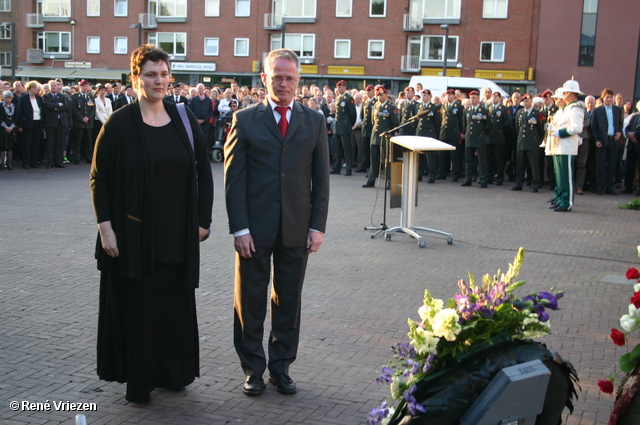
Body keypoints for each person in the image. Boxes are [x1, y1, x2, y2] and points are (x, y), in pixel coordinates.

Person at [90, 44, 213, 404]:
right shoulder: (120, 122)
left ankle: (174, 373)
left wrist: (203, 220)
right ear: (136, 78)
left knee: (173, 308)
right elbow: (99, 177)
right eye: (150, 75)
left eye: (163, 74)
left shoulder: (184, 118)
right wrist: (105, 227)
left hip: (178, 235)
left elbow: (202, 171)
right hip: (134, 237)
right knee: (141, 309)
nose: (159, 81)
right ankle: (141, 380)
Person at [224, 48, 329, 397]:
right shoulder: (245, 119)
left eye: (290, 78)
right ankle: (253, 369)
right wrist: (239, 228)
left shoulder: (314, 121)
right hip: (253, 230)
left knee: (289, 302)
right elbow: (233, 179)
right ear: (264, 78)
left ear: (299, 81)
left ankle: (281, 368)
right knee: (250, 301)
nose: (283, 83)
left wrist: (317, 226)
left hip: (297, 229)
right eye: (277, 76)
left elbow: (321, 179)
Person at [546, 80, 584, 212]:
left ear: (574, 94)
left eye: (566, 92)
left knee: (566, 176)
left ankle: (567, 202)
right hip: (560, 146)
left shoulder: (575, 107)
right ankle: (561, 198)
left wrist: (560, 133)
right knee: (560, 176)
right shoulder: (567, 108)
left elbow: (577, 128)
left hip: (567, 146)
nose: (564, 94)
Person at [362, 85, 399, 188]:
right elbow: (373, 121)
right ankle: (371, 180)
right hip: (375, 136)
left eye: (382, 95)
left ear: (386, 95)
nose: (380, 97)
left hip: (385, 137)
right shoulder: (375, 106)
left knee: (386, 160)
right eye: (378, 95)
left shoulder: (391, 108)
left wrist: (392, 134)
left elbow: (395, 123)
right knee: (373, 160)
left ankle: (389, 181)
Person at [591, 88, 624, 195]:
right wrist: (596, 140)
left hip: (613, 141)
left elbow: (620, 124)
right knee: (600, 166)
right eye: (607, 97)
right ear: (603, 98)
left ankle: (609, 187)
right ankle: (599, 188)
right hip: (602, 141)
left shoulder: (618, 110)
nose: (609, 99)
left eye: (610, 97)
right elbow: (593, 128)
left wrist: (619, 132)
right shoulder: (597, 110)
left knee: (612, 165)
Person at [511, 94, 545, 192]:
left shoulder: (537, 113)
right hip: (522, 142)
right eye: (524, 101)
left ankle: (535, 184)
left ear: (531, 101)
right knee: (520, 164)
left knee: (534, 165)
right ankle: (519, 183)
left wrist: (537, 141)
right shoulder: (520, 113)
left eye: (527, 101)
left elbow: (541, 130)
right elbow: (518, 128)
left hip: (532, 142)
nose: (525, 103)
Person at [461, 90, 492, 188]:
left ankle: (483, 179)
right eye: (471, 98)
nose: (472, 100)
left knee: (481, 160)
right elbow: (464, 124)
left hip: (479, 138)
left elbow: (489, 126)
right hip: (470, 137)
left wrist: (483, 135)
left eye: (474, 98)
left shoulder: (483, 110)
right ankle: (468, 178)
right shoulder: (467, 110)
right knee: (469, 160)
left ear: (478, 98)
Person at [15, 81, 44, 169]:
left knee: (35, 144)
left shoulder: (39, 98)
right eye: (34, 88)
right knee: (27, 144)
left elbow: (42, 112)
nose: (36, 90)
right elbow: (19, 112)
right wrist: (19, 125)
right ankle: (26, 162)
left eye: (36, 88)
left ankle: (34, 162)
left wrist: (43, 125)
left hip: (37, 123)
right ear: (29, 89)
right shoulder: (23, 98)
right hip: (27, 123)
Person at [330, 80, 357, 176]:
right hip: (338, 126)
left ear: (345, 87)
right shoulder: (338, 98)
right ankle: (337, 167)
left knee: (347, 149)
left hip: (345, 127)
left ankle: (348, 169)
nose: (339, 89)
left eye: (341, 87)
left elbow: (353, 114)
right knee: (337, 149)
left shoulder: (348, 98)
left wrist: (349, 125)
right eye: (338, 87)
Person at [42, 79, 70, 169]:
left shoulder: (62, 96)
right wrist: (58, 105)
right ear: (49, 87)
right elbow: (48, 105)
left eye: (55, 86)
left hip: (61, 122)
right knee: (50, 143)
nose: (54, 87)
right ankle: (50, 161)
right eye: (52, 86)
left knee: (60, 143)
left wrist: (55, 107)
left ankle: (59, 161)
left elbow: (66, 106)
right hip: (51, 122)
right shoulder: (46, 96)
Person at [438, 88, 464, 181]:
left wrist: (461, 132)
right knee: (443, 155)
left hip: (454, 133)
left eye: (450, 95)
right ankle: (442, 173)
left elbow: (461, 121)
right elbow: (441, 120)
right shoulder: (443, 106)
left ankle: (456, 174)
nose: (448, 96)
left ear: (454, 96)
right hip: (444, 132)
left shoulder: (459, 107)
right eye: (447, 95)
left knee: (455, 156)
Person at [416, 89, 441, 183]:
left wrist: (435, 135)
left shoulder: (434, 107)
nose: (423, 97)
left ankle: (432, 175)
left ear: (430, 96)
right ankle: (419, 174)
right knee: (419, 156)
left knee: (430, 157)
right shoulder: (419, 106)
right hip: (420, 132)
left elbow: (437, 123)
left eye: (425, 95)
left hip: (429, 133)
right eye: (422, 95)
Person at [486, 92, 512, 185]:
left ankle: (499, 178)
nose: (494, 98)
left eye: (496, 97)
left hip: (498, 137)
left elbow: (508, 123)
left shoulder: (504, 109)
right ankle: (489, 177)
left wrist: (500, 131)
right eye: (493, 97)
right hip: (488, 137)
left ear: (500, 98)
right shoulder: (488, 108)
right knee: (489, 159)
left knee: (499, 159)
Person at [71, 80, 96, 164]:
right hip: (79, 122)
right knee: (78, 141)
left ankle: (89, 157)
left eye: (86, 86)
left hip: (88, 123)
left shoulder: (90, 96)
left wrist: (88, 117)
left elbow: (93, 109)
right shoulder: (75, 96)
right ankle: (76, 157)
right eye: (83, 86)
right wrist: (81, 118)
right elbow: (73, 109)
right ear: (80, 87)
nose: (85, 88)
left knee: (88, 141)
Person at [0, 91, 16, 170]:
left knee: (10, 146)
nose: (8, 100)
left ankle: (9, 163)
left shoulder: (14, 106)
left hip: (11, 127)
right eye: (6, 98)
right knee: (3, 145)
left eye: (9, 98)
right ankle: (3, 163)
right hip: (3, 127)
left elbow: (16, 117)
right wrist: (5, 127)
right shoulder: (1, 106)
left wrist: (11, 127)